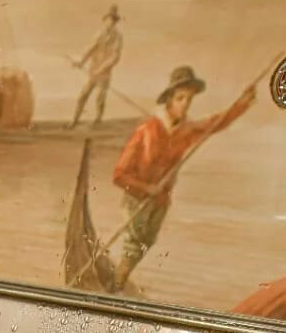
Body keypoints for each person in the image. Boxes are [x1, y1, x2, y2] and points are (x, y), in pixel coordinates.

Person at [108, 65, 256, 291]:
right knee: (133, 247)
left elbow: (215, 123)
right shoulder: (147, 130)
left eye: (189, 99)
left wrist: (242, 104)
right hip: (137, 200)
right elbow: (118, 175)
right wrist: (146, 188)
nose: (185, 104)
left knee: (144, 246)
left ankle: (117, 282)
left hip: (160, 202)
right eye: (180, 98)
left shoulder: (186, 131)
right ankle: (114, 287)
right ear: (169, 100)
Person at [69, 6, 122, 128]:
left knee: (100, 98)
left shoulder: (118, 37)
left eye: (112, 20)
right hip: (93, 72)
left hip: (105, 73)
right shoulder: (99, 34)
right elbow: (90, 49)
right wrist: (80, 62)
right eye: (108, 19)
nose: (110, 22)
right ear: (105, 20)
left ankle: (98, 121)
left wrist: (102, 69)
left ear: (115, 22)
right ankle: (74, 120)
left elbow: (115, 57)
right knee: (83, 95)